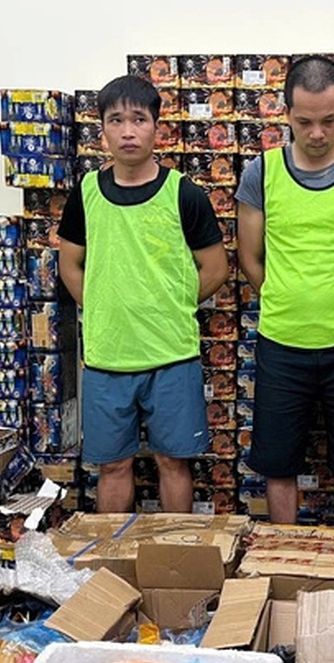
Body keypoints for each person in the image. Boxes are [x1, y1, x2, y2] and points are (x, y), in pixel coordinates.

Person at [236, 55, 334, 527]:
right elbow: (250, 256)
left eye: (328, 120)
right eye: (304, 122)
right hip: (281, 340)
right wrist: (285, 298)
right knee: (278, 462)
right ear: (286, 113)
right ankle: (282, 554)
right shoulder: (261, 172)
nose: (317, 133)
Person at [58, 75, 228, 514]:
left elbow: (215, 268)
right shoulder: (86, 195)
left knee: (173, 462)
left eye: (139, 119)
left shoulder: (184, 194)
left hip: (172, 356)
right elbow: (69, 264)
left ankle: (175, 552)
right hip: (107, 359)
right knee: (113, 466)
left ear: (157, 127)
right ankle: (111, 553)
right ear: (102, 130)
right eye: (116, 120)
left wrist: (171, 304)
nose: (128, 131)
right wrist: (101, 305)